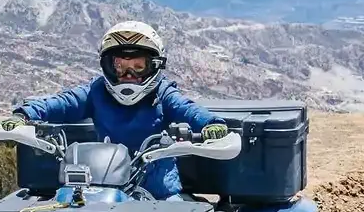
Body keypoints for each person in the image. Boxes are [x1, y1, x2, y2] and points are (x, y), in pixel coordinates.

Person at [11, 20, 220, 199]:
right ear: (108, 66)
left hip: (160, 195)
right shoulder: (97, 91)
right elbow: (60, 103)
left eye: (138, 66)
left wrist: (211, 125)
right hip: (106, 189)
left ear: (154, 66)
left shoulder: (162, 93)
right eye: (120, 66)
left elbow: (188, 110)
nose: (128, 74)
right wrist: (24, 114)